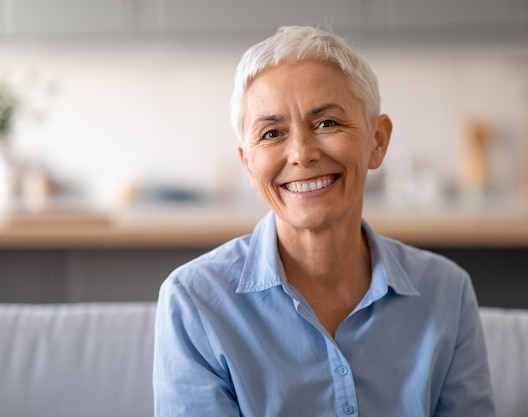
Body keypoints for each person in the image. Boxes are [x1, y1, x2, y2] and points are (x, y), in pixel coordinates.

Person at [153, 25, 495, 417]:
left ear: (378, 140)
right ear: (248, 162)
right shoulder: (193, 300)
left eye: (327, 123)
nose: (301, 153)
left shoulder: (447, 292)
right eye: (271, 133)